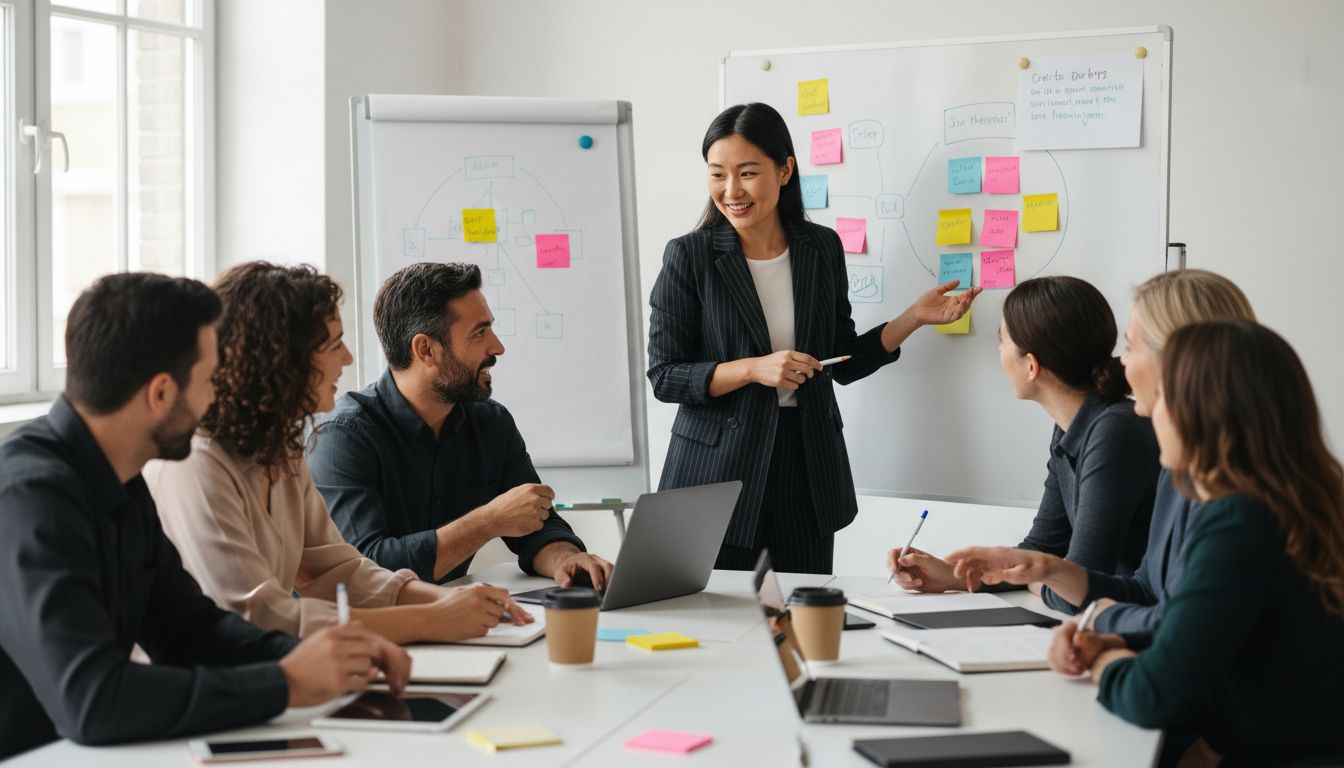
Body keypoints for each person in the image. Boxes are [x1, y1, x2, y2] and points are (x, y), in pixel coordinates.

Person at [0, 274, 408, 760]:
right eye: (211, 380)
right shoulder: (30, 498)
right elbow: (93, 700)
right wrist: (284, 683)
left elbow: (188, 629)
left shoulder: (122, 479)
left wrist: (322, 657)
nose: (219, 396)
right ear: (160, 393)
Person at [647, 102, 980, 575]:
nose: (731, 190)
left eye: (747, 173)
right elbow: (665, 376)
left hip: (806, 465)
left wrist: (912, 318)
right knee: (717, 620)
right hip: (716, 473)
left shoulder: (820, 248)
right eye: (717, 174)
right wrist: (753, 369)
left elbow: (838, 361)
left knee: (805, 618)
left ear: (785, 171)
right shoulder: (690, 256)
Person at [148, 262, 531, 644]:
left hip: (258, 678)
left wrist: (450, 600)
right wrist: (432, 618)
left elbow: (335, 570)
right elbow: (256, 615)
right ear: (281, 358)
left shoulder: (281, 450)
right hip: (201, 688)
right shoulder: (197, 461)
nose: (347, 358)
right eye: (334, 344)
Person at [1023, 321, 1344, 765]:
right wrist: (1113, 642)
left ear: (1203, 411)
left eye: (1162, 399)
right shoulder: (1292, 498)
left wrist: (1099, 664)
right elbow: (1200, 636)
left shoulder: (1240, 519)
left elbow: (1151, 695)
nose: (1144, 413)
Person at [940, 271, 1255, 634]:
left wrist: (1046, 581)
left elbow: (1087, 578)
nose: (1124, 363)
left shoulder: (1120, 432)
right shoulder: (1081, 432)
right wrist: (954, 574)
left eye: (1133, 348)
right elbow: (1049, 553)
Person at [308, 262, 611, 588]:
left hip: (453, 623)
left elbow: (536, 522)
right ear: (425, 349)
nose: (497, 347)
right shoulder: (342, 437)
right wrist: (488, 521)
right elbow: (367, 570)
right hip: (361, 631)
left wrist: (566, 559)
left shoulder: (491, 423)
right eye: (479, 332)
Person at [890, 276, 1159, 612]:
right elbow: (1044, 548)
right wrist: (955, 577)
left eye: (1001, 342)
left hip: (1144, 625)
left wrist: (1032, 580)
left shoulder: (1113, 433)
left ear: (1031, 365)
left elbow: (1077, 586)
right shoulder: (1071, 428)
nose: (999, 353)